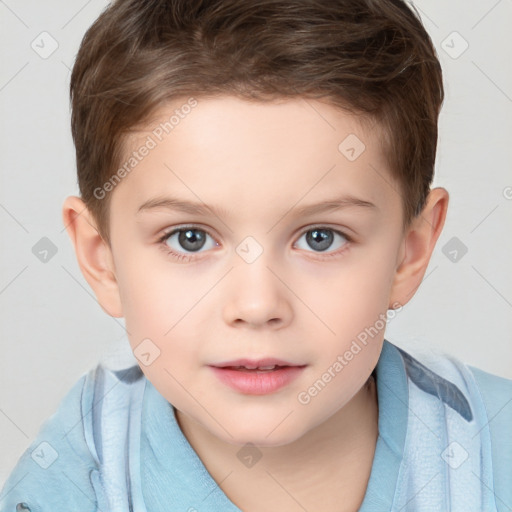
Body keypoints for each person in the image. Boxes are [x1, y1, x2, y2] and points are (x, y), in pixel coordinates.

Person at [1, 0, 511, 511]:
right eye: (190, 238)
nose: (257, 303)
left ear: (409, 251)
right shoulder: (70, 485)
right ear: (102, 259)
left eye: (320, 237)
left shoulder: (493, 453)